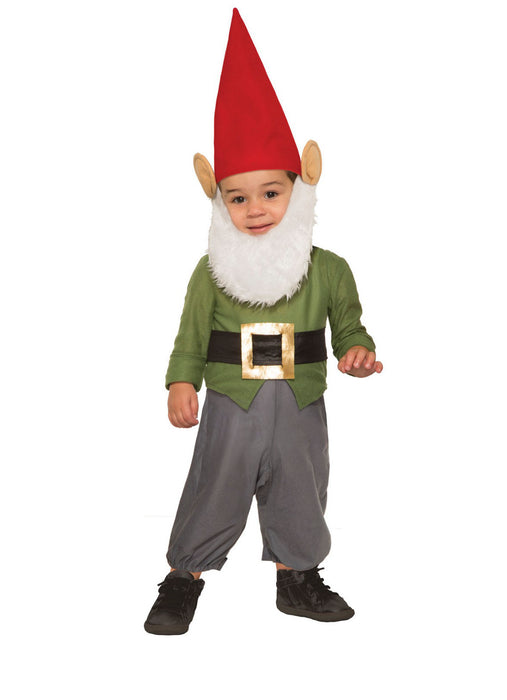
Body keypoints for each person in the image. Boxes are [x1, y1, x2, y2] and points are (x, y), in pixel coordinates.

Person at [144, 9, 382, 636]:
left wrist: (357, 352)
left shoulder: (329, 269)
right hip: (232, 398)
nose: (255, 209)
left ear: (299, 188)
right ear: (219, 200)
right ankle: (183, 578)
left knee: (302, 486)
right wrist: (181, 382)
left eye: (270, 193)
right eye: (238, 197)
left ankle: (297, 578)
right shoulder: (210, 272)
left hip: (301, 399)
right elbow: (190, 336)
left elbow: (350, 327)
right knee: (214, 485)